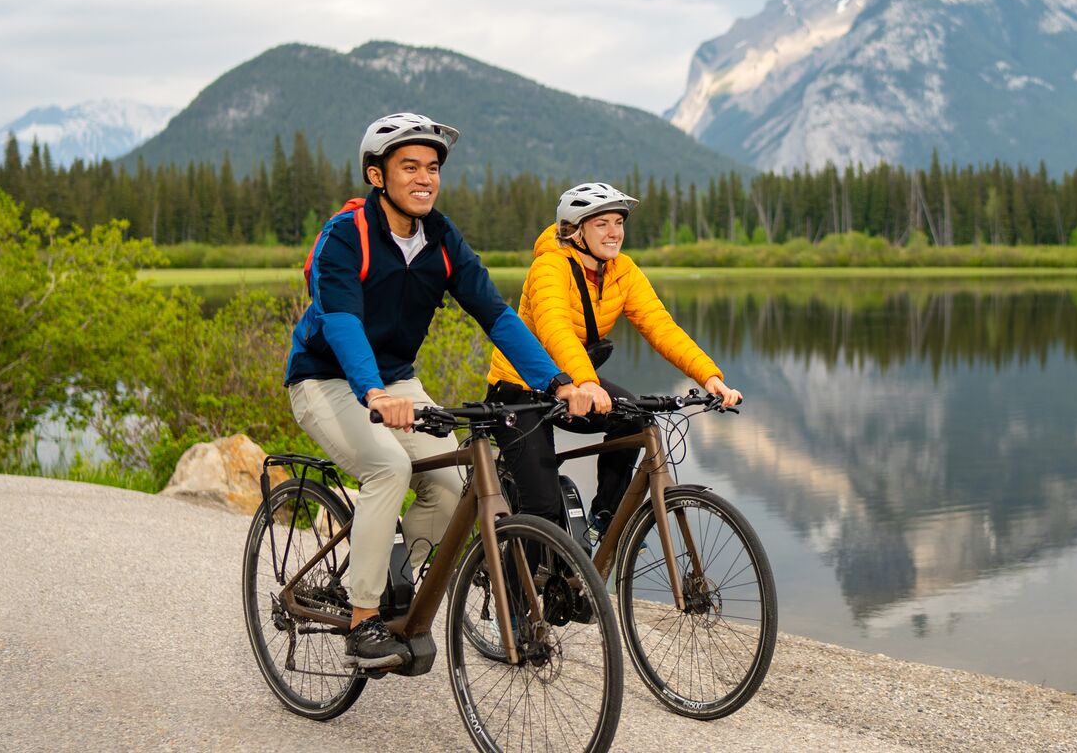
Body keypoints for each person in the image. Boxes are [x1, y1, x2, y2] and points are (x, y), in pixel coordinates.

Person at [284, 112, 571, 670]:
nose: (425, 178)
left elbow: (496, 313)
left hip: (395, 380)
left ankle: (394, 575)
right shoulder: (345, 236)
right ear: (377, 176)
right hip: (326, 379)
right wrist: (372, 392)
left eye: (433, 168)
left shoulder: (441, 238)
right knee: (388, 468)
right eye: (409, 166)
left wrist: (557, 380)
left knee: (451, 482)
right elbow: (341, 322)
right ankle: (364, 619)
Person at [485, 181, 742, 543]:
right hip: (519, 389)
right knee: (541, 510)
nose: (614, 232)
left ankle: (603, 518)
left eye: (618, 222)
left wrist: (710, 377)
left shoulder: (622, 269)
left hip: (576, 382)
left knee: (634, 419)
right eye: (602, 223)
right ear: (575, 231)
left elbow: (660, 326)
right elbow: (555, 328)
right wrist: (587, 383)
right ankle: (516, 597)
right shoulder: (550, 268)